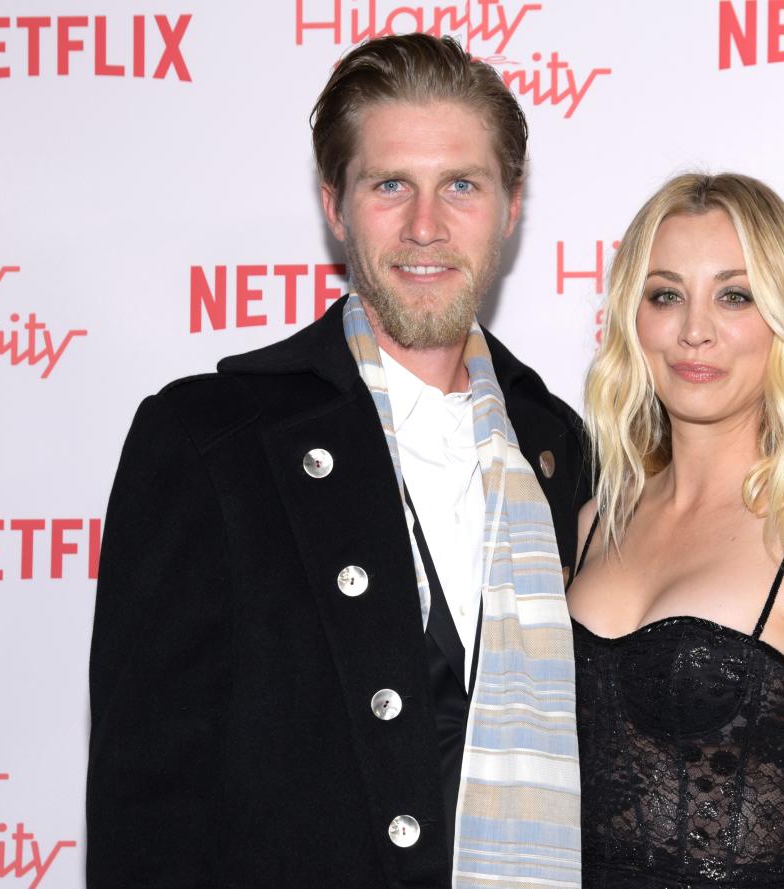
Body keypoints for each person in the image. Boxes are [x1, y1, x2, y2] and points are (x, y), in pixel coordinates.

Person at [86, 34, 589, 889]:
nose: (425, 226)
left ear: (510, 206)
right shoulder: (211, 441)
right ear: (335, 204)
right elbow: (146, 805)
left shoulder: (559, 450)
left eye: (461, 185)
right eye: (390, 184)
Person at [567, 173, 784, 888]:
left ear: (783, 319)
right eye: (666, 295)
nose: (695, 329)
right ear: (632, 319)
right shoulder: (593, 521)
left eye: (735, 296)